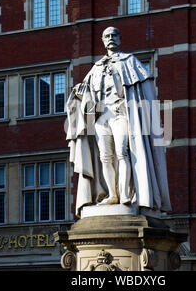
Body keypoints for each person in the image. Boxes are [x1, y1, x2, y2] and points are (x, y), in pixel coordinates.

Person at [66, 27, 171, 217]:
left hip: (120, 112)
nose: (110, 38)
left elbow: (144, 94)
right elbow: (86, 101)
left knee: (123, 153)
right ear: (102, 40)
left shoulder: (130, 62)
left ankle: (125, 194)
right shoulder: (95, 68)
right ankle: (112, 195)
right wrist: (82, 95)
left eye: (114, 35)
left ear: (120, 39)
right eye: (106, 36)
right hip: (101, 117)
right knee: (105, 157)